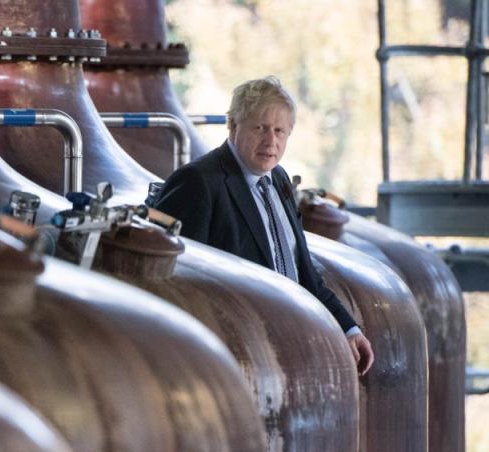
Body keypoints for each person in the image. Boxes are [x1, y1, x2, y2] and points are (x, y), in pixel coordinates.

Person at [152, 75, 374, 375]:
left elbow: (302, 273)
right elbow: (179, 287)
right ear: (233, 126)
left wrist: (348, 329)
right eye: (260, 128)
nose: (271, 141)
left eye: (280, 131)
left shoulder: (279, 179)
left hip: (285, 349)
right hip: (237, 358)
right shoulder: (199, 182)